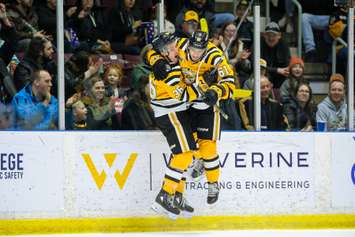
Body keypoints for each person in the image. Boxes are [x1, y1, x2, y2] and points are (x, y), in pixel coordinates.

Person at [147, 30, 237, 205]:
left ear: (206, 48)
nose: (195, 54)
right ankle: (178, 193)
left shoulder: (215, 56)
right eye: (193, 49)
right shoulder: (178, 46)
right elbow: (154, 49)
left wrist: (216, 91)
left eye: (199, 50)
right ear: (188, 44)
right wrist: (156, 61)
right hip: (187, 105)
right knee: (188, 151)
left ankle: (213, 184)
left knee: (207, 147)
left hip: (206, 106)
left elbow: (230, 84)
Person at [148, 32, 202, 219]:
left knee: (188, 154)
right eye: (171, 49)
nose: (176, 50)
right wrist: (201, 86)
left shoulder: (170, 63)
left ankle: (177, 195)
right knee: (184, 154)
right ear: (163, 54)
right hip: (170, 114)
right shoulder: (166, 72)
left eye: (175, 46)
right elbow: (185, 96)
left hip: (176, 113)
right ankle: (165, 194)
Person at [261, 22, 291, 89]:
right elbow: (256, 65)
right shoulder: (258, 44)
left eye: (274, 35)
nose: (271, 38)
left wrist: (282, 71)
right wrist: (277, 70)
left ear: (279, 36)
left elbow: (286, 65)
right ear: (264, 35)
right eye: (268, 35)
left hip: (279, 77)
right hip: (263, 76)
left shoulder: (284, 46)